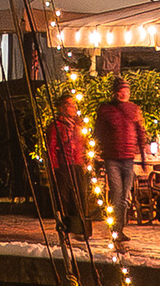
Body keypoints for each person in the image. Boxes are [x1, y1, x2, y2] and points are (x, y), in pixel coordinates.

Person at [93, 71, 147, 243]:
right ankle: (115, 228)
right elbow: (98, 132)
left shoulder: (134, 110)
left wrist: (143, 156)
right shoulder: (106, 110)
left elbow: (140, 132)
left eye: (126, 90)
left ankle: (119, 229)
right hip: (112, 158)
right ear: (115, 92)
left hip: (128, 158)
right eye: (121, 90)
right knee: (116, 193)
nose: (124, 93)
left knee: (124, 196)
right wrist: (96, 153)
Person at [43, 89, 96, 238]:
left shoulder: (78, 125)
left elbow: (84, 144)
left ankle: (79, 227)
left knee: (79, 195)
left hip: (78, 163)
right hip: (63, 165)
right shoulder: (56, 126)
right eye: (69, 105)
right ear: (62, 108)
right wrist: (54, 166)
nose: (73, 108)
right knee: (64, 197)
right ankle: (65, 226)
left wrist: (87, 159)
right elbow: (51, 147)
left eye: (74, 105)